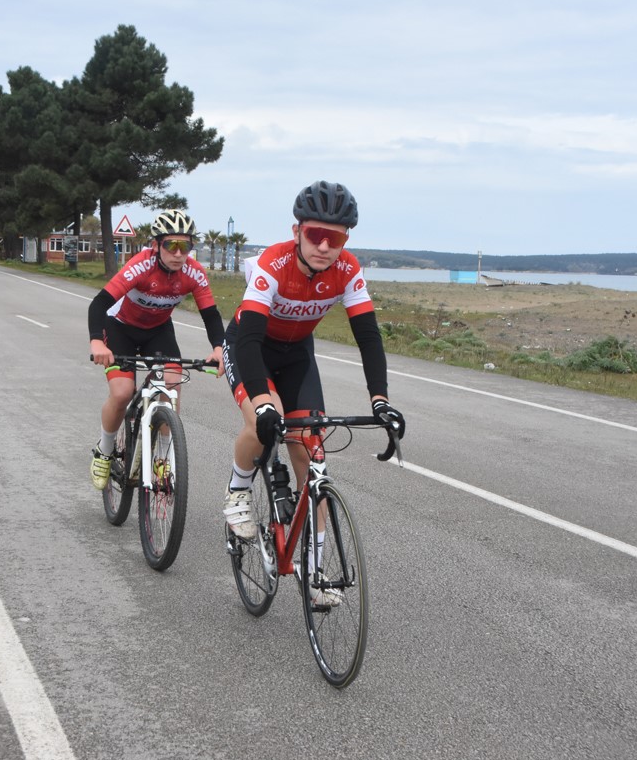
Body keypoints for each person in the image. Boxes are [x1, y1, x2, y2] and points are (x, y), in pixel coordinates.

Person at [220, 181, 405, 605]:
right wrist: (264, 405)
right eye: (314, 235)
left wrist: (381, 401)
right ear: (296, 230)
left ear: (345, 241)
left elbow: (369, 337)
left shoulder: (348, 271)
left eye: (334, 238)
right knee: (263, 423)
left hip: (297, 354)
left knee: (310, 453)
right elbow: (248, 338)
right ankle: (239, 489)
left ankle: (313, 571)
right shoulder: (273, 263)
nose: (324, 246)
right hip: (251, 346)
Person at [87, 209, 225, 490]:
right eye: (170, 245)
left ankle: (162, 458)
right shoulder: (140, 267)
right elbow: (98, 304)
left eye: (184, 246)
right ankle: (105, 449)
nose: (178, 253)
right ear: (155, 245)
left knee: (171, 385)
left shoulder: (193, 273)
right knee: (123, 393)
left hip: (158, 331)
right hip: (121, 327)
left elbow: (210, 314)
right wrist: (97, 342)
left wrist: (219, 348)